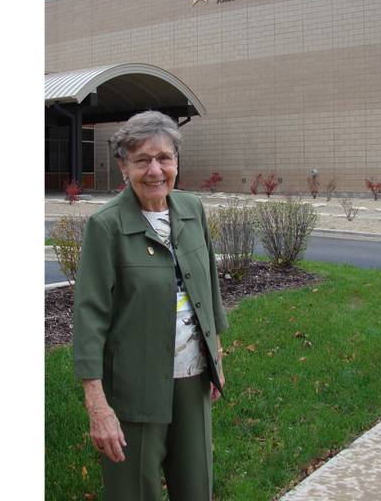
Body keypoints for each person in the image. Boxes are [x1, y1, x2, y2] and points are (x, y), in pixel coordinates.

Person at [73, 110, 227, 501]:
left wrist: (216, 355)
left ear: (177, 162)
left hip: (192, 379)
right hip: (133, 389)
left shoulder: (192, 209)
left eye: (164, 158)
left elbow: (207, 283)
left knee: (196, 488)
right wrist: (96, 402)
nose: (155, 170)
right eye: (142, 160)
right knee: (134, 493)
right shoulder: (106, 226)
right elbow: (90, 314)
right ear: (124, 167)